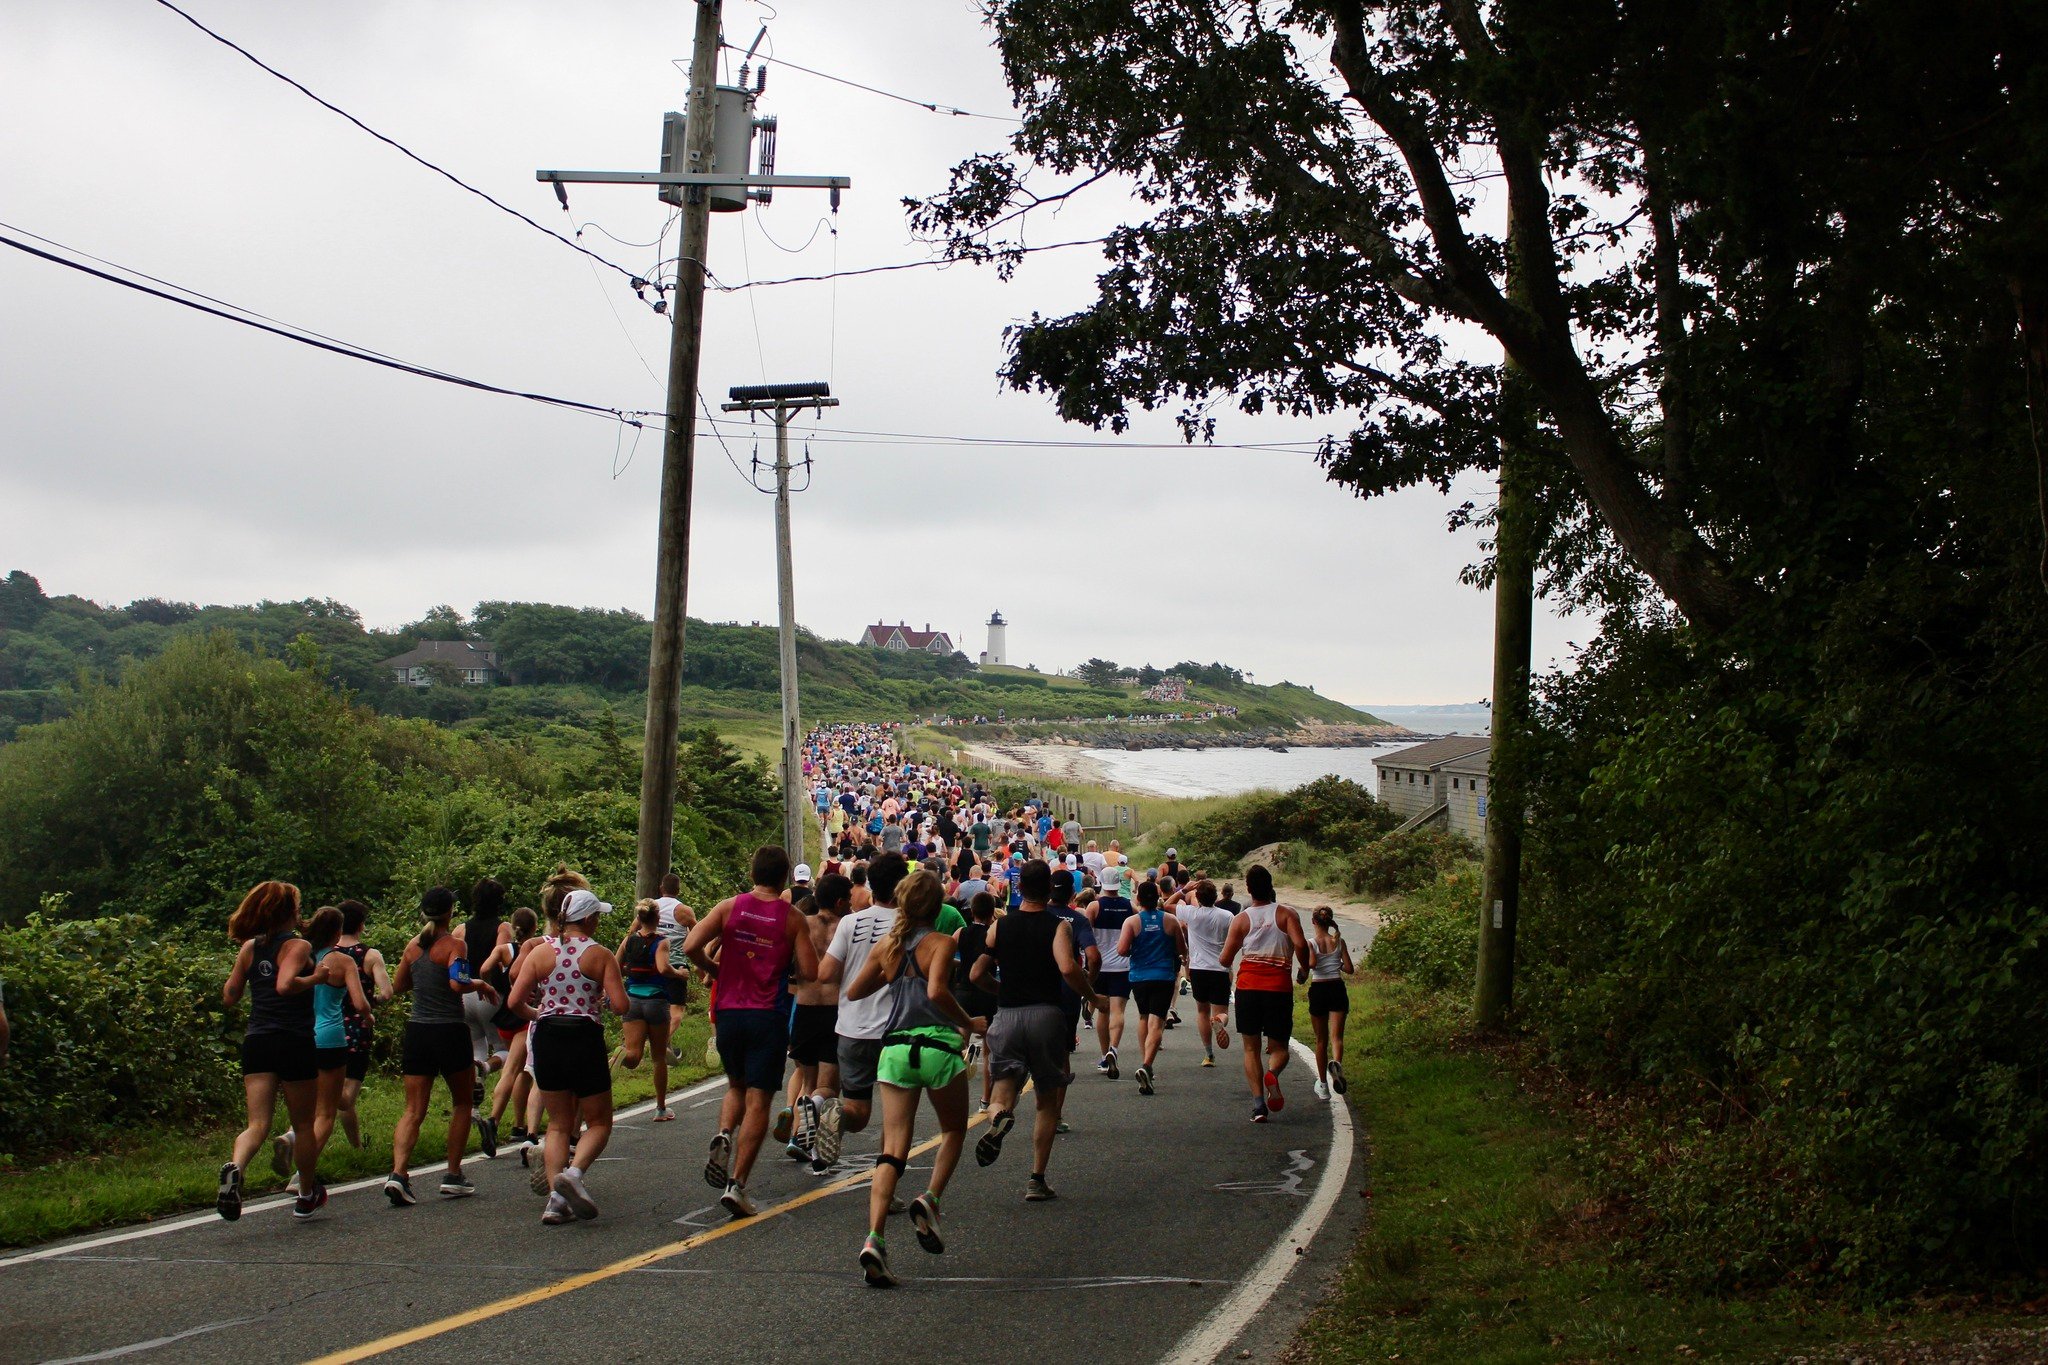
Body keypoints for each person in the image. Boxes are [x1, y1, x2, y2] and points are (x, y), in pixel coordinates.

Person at [844, 870, 983, 1287]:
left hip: (896, 1049)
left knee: (893, 1149)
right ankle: (931, 1199)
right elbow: (939, 991)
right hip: (938, 1047)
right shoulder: (942, 943)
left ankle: (874, 1238)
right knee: (954, 1130)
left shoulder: (888, 946)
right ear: (937, 906)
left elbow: (854, 992)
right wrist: (969, 1023)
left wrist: (891, 975)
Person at [685, 845, 820, 1217]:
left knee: (736, 1085)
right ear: (785, 878)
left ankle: (725, 1133)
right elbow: (810, 972)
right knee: (759, 1099)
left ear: (752, 873)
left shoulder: (729, 906)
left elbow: (690, 945)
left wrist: (716, 970)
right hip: (768, 1016)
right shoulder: (792, 917)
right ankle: (738, 1184)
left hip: (728, 1011)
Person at [972, 859, 1100, 1202]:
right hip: (1046, 1015)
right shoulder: (1058, 926)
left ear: (1018, 888)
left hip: (1007, 1017)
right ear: (1048, 890)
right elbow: (1068, 967)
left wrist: (1001, 991)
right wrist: (1091, 996)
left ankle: (999, 1115)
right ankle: (1036, 1179)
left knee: (1002, 1088)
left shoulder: (1001, 927)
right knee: (1046, 1101)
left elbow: (975, 974)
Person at [510, 880, 628, 1224]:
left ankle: (554, 1202)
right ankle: (573, 1175)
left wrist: (539, 1015)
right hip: (584, 1037)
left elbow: (515, 1001)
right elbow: (620, 1005)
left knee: (558, 1124)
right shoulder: (600, 955)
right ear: (589, 919)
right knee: (599, 1121)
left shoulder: (540, 953)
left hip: (547, 1036)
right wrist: (609, 1000)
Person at [385, 887, 501, 1206]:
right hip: (449, 1030)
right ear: (450, 912)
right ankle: (452, 1174)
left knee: (413, 1109)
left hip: (418, 1031)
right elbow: (456, 983)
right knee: (462, 1102)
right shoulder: (455, 945)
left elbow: (398, 986)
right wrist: (481, 983)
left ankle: (398, 1174)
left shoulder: (412, 947)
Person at [218, 881, 320, 1221]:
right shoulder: (298, 946)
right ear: (287, 912)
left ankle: (236, 1168)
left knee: (257, 1123)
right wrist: (317, 977)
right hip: (294, 1040)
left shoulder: (250, 947)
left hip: (258, 1040)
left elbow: (230, 995)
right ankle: (306, 1194)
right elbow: (286, 984)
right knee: (303, 1124)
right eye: (297, 906)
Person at [812, 851, 911, 1168]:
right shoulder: (908, 926)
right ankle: (887, 1184)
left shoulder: (850, 922)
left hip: (851, 1029)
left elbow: (825, 974)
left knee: (857, 1111)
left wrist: (853, 973)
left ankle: (836, 1115)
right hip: (895, 1033)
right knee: (895, 1119)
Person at [285, 906, 371, 1218]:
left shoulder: (302, 956)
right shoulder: (341, 960)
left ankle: (292, 1137)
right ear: (338, 932)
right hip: (332, 1038)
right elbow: (359, 1003)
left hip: (302, 1036)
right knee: (325, 1113)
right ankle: (302, 1175)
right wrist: (369, 1017)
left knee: (305, 1112)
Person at [1218, 865, 1311, 1123]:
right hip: (1278, 988)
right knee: (1279, 1046)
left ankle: (1259, 1106)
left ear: (1248, 889)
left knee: (1251, 1048)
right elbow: (1301, 944)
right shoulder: (1287, 914)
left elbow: (1225, 958)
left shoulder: (1241, 919)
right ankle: (1272, 1074)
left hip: (1247, 988)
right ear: (1271, 886)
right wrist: (1303, 967)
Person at [785, 872, 850, 1170]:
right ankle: (815, 1151)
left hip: (805, 1007)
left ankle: (800, 1138)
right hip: (836, 1011)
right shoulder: (847, 927)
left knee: (808, 1083)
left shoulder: (801, 925)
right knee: (828, 1088)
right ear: (840, 901)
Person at [1115, 879, 1186, 1096]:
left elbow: (1121, 950)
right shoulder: (1171, 920)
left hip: (1139, 978)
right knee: (1158, 1022)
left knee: (1144, 1018)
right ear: (1157, 899)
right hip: (1163, 977)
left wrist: (1136, 951)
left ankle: (1145, 1062)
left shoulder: (1132, 922)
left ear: (1138, 899)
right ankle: (1147, 1064)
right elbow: (1182, 948)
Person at [334, 899, 392, 1148]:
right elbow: (387, 992)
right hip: (358, 1029)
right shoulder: (369, 955)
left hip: (323, 1027)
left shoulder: (326, 953)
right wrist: (372, 1002)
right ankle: (355, 1145)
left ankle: (356, 1146)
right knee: (347, 1094)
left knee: (332, 1088)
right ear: (361, 925)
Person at [484, 907, 541, 1142]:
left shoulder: (504, 950)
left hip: (505, 1015)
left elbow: (484, 969)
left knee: (520, 1071)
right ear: (535, 928)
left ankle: (518, 1125)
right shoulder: (536, 949)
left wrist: (494, 985)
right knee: (515, 1071)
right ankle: (493, 1119)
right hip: (524, 1016)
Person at [616, 901, 675, 1119]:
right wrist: (678, 974)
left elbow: (615, 963)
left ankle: (619, 1056)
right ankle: (660, 1109)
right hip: (656, 1001)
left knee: (634, 1056)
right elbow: (662, 967)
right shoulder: (661, 942)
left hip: (632, 1000)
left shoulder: (629, 940)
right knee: (659, 1057)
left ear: (639, 918)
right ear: (658, 918)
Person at [457, 878, 513, 1093]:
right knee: (506, 1049)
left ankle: (474, 1091)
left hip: (465, 996)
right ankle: (488, 1068)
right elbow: (498, 962)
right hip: (490, 995)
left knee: (475, 1049)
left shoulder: (461, 929)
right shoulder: (503, 928)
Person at [1175, 880, 1236, 1066]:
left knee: (1202, 1010)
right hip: (1219, 969)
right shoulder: (1227, 916)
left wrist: (1184, 890)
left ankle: (1208, 1054)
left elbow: (1167, 904)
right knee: (1222, 1011)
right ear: (1216, 897)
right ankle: (1219, 1021)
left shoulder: (1192, 914)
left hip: (1198, 969)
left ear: (1198, 898)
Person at [953, 891, 1001, 1111]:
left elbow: (945, 956)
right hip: (986, 991)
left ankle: (956, 1094)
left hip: (963, 991)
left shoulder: (960, 932)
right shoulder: (993, 934)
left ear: (971, 912)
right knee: (988, 1048)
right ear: (992, 913)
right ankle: (985, 1100)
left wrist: (960, 966)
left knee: (960, 1040)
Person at [1306, 907, 1355, 1100]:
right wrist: (1338, 964)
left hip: (1319, 989)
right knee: (1337, 1037)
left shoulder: (1311, 943)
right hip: (1337, 988)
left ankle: (1323, 1086)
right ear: (1329, 922)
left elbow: (1311, 964)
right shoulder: (1338, 941)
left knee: (1321, 1040)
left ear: (1313, 922)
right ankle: (1336, 1063)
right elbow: (1350, 969)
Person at [1089, 877, 1136, 1078]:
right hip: (1123, 966)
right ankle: (1113, 1049)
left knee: (1102, 1013)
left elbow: (1086, 934)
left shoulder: (1094, 906)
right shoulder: (1129, 907)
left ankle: (1103, 1055)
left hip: (1100, 967)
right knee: (1118, 1011)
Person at [654, 872, 698, 1049]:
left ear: (661, 888)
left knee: (657, 1008)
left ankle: (666, 1047)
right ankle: (659, 1045)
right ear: (678, 890)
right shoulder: (684, 911)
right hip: (676, 965)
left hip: (653, 964)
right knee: (677, 1012)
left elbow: (633, 931)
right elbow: (698, 935)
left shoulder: (651, 907)